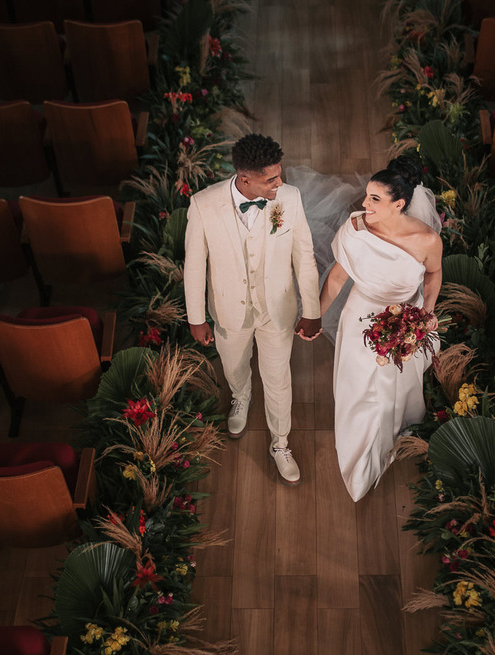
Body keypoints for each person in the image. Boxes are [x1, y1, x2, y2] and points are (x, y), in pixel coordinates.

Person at [183, 134, 322, 485]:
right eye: (270, 179)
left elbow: (304, 255)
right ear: (245, 179)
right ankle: (241, 395)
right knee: (234, 364)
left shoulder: (288, 198)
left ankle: (280, 443)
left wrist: (312, 308)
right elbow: (195, 265)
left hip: (277, 308)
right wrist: (196, 317)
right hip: (229, 310)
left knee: (278, 379)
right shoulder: (203, 204)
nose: (280, 183)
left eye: (279, 175)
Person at [318, 156, 443, 501]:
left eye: (374, 199)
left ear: (399, 204)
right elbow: (338, 277)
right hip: (361, 313)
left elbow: (433, 274)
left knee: (394, 384)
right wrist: (314, 315)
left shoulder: (427, 240)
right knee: (360, 385)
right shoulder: (356, 230)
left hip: (405, 317)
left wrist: (426, 312)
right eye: (366, 196)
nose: (363, 204)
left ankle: (396, 428)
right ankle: (359, 450)